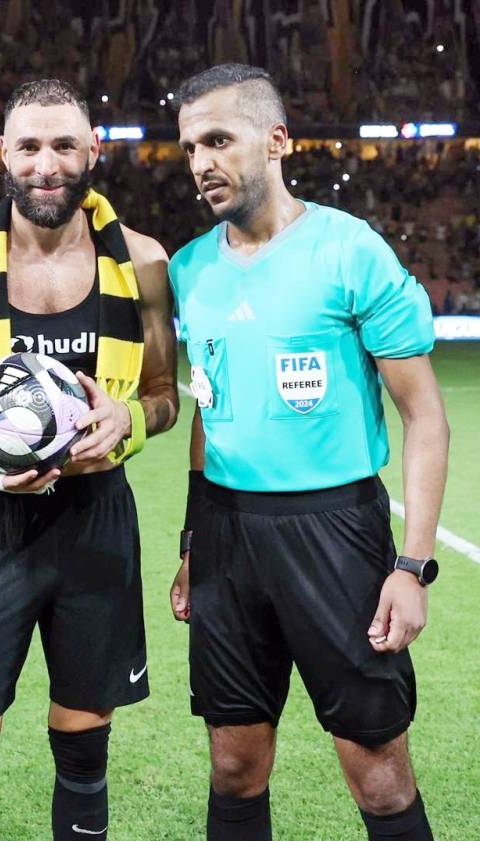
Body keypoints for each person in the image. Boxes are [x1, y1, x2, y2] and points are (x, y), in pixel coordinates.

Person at [167, 65, 449, 841]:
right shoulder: (189, 270)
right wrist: (192, 540)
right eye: (189, 148)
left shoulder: (350, 251)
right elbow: (207, 408)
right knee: (233, 763)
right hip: (226, 534)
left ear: (277, 140)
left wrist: (412, 565)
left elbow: (425, 416)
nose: (200, 163)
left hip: (336, 532)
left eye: (218, 140)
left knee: (378, 771)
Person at [0, 79, 178, 841]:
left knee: (84, 752)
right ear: (3, 153)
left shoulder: (145, 264)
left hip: (97, 522)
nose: (46, 164)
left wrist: (127, 420)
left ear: (94, 150)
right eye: (29, 146)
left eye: (63, 145)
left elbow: (164, 396)